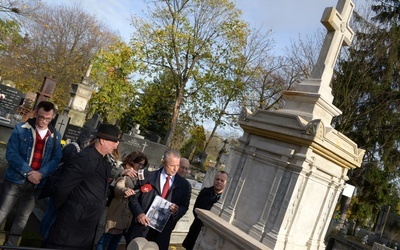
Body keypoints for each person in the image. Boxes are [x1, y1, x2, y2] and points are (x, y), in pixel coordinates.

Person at [44, 124, 122, 249]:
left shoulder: (103, 160)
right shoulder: (84, 158)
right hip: (72, 222)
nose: (116, 145)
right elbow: (62, 188)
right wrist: (71, 209)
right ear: (102, 140)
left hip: (87, 224)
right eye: (114, 141)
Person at [0, 101, 62, 246]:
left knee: (23, 218)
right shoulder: (21, 129)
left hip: (36, 184)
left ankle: (10, 247)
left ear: (52, 118)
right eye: (41, 117)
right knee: (2, 212)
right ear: (35, 113)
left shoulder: (55, 136)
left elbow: (56, 159)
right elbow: (11, 153)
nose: (43, 121)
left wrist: (40, 174)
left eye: (47, 119)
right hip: (15, 180)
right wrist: (29, 172)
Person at [127, 149, 191, 250]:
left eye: (177, 165)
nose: (175, 169)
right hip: (141, 229)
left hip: (162, 234)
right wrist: (139, 213)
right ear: (163, 162)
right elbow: (133, 197)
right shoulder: (147, 177)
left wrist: (176, 211)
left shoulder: (184, 185)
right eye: (172, 165)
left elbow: (185, 206)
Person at [96, 151, 148, 250]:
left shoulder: (140, 176)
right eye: (139, 164)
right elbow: (118, 187)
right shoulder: (125, 172)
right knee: (106, 238)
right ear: (132, 161)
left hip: (128, 214)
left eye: (143, 165)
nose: (141, 167)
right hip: (118, 210)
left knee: (116, 240)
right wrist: (126, 190)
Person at [182, 171, 228, 250]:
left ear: (226, 183)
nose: (219, 182)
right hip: (197, 228)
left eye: (222, 180)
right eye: (217, 179)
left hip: (212, 236)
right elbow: (195, 209)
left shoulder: (225, 201)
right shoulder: (204, 192)